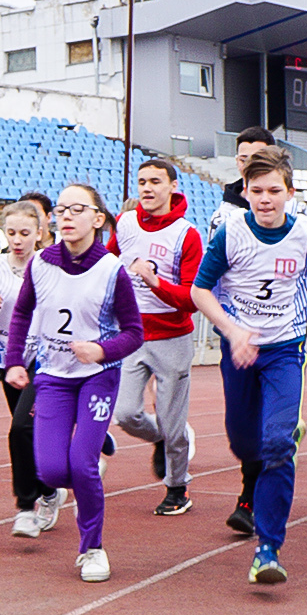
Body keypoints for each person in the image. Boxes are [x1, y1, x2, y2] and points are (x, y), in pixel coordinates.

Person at [189, 147, 307, 585]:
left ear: (290, 192)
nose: (265, 199)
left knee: (277, 446)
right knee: (246, 446)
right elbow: (200, 291)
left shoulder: (305, 234)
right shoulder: (230, 233)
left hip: (285, 351)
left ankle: (268, 548)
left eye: (274, 191)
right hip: (240, 348)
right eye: (257, 191)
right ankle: (267, 450)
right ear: (245, 191)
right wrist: (232, 332)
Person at [4, 184, 143, 583]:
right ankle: (97, 443)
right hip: (53, 376)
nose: (65, 216)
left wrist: (101, 350)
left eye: (76, 209)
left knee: (81, 466)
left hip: (98, 375)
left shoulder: (111, 270)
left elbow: (134, 333)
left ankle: (92, 549)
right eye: (60, 209)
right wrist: (15, 361)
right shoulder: (41, 264)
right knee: (49, 471)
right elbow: (21, 314)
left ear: (97, 220)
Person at [211, 127, 307, 532]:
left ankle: (251, 501)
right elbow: (209, 275)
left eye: (258, 155)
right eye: (243, 157)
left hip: (279, 335)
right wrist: (228, 325)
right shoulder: (222, 213)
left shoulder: (297, 215)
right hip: (234, 330)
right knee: (242, 428)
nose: (249, 161)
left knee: (273, 433)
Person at [108, 158, 203, 516]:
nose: (147, 189)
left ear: (173, 187)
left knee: (171, 419)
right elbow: (106, 260)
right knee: (126, 413)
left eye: (155, 182)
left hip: (172, 337)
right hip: (132, 333)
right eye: (142, 182)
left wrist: (154, 282)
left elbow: (191, 298)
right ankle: (161, 440)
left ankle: (177, 487)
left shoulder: (186, 234)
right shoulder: (127, 222)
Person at [0, 201, 62, 536]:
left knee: (21, 427)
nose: (17, 240)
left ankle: (25, 507)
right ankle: (50, 492)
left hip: (45, 358)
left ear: (39, 233)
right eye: (11, 233)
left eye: (25, 233)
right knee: (27, 433)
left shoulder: (51, 266)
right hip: (8, 359)